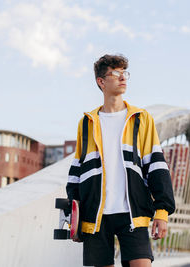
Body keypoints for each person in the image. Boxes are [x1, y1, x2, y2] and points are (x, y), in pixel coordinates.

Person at [66, 54, 175, 267]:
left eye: (124, 73)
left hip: (132, 213)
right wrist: (72, 216)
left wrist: (162, 212)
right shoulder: (87, 123)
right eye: (115, 73)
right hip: (95, 218)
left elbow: (156, 166)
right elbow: (77, 171)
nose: (123, 77)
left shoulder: (141, 118)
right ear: (101, 82)